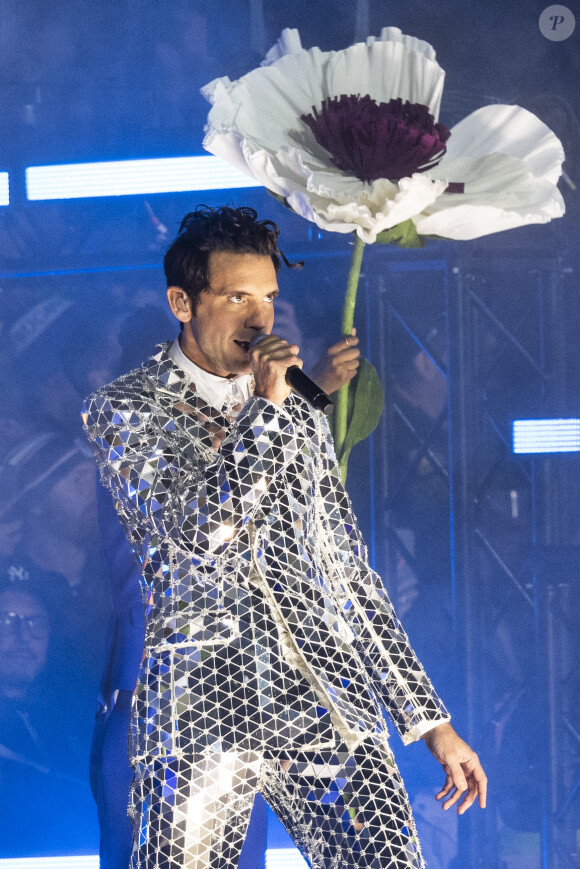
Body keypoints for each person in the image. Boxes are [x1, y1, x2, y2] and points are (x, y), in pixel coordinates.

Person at [82, 205, 486, 869]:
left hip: (323, 700)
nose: (259, 317)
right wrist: (269, 410)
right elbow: (199, 531)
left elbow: (347, 575)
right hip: (202, 713)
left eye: (268, 296)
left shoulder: (296, 413)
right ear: (182, 302)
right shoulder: (124, 409)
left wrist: (432, 723)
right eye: (237, 296)